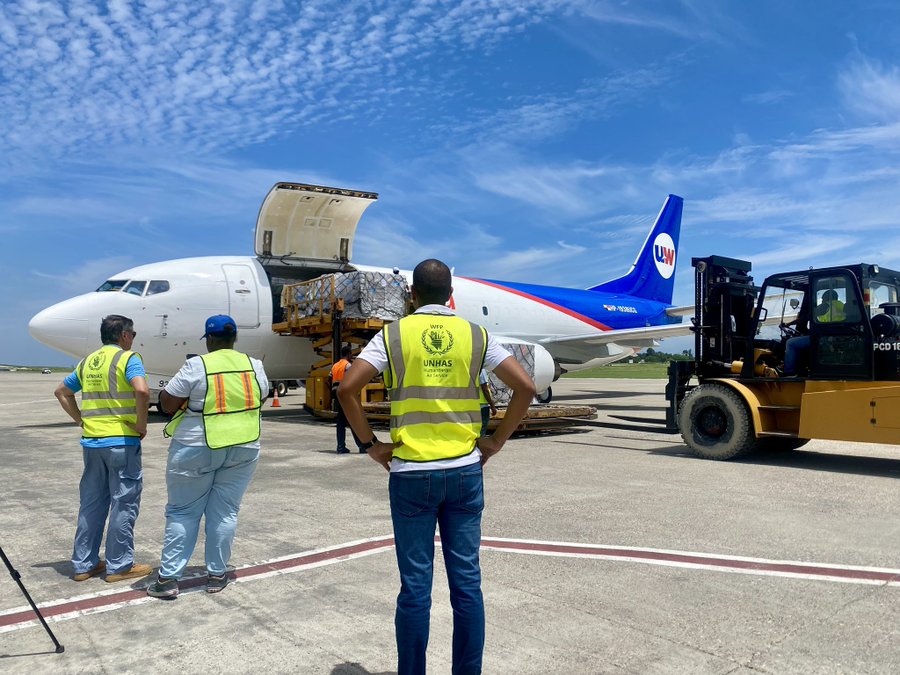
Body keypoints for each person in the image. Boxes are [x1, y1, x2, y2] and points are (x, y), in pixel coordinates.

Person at [338, 259, 535, 675]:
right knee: (467, 586)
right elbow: (526, 387)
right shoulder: (475, 335)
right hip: (465, 472)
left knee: (415, 591)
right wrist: (496, 441)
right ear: (450, 296)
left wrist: (372, 445)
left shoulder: (392, 335)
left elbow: (347, 389)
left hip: (410, 474)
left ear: (412, 296)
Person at [147, 315, 269, 598]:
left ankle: (168, 580)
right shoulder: (255, 366)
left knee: (183, 511)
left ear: (210, 340)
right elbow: (261, 397)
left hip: (195, 446)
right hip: (244, 446)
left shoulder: (196, 365)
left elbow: (166, 404)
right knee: (225, 511)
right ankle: (216, 574)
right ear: (234, 338)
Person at [54, 314, 152, 583]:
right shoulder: (127, 359)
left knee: (92, 504)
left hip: (92, 442)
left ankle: (84, 564)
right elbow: (142, 391)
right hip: (121, 441)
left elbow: (62, 391)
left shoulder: (88, 362)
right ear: (123, 335)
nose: (133, 339)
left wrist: (81, 420)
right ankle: (119, 566)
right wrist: (141, 425)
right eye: (132, 334)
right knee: (123, 503)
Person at [330, 344, 365, 454]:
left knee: (341, 422)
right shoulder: (348, 365)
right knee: (353, 420)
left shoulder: (335, 365)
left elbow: (329, 377)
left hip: (337, 394)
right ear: (349, 354)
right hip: (346, 395)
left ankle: (340, 446)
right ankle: (361, 446)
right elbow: (352, 378)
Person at [478, 370, 497, 437]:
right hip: (482, 404)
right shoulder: (481, 370)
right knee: (482, 430)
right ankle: (479, 446)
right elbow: (485, 389)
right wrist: (492, 405)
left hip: (472, 403)